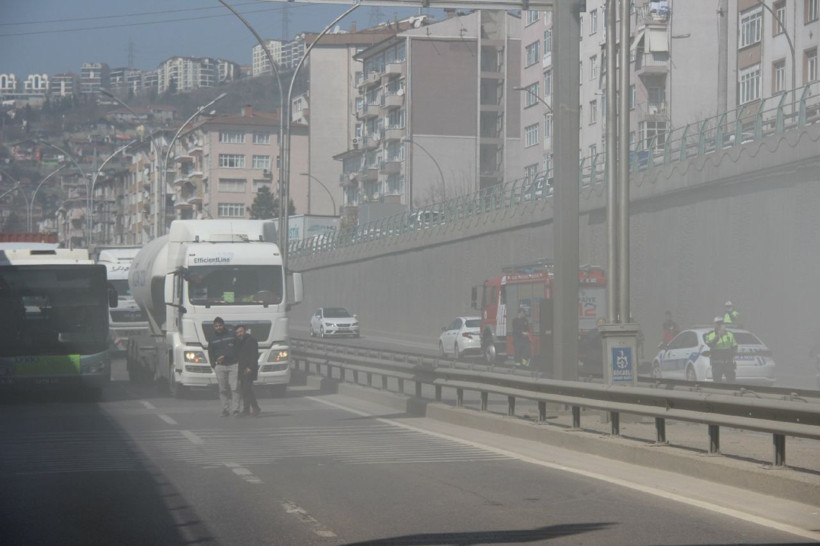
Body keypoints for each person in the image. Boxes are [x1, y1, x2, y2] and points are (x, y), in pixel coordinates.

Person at [208, 316, 239, 416]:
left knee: (235, 388)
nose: (218, 327)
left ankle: (235, 409)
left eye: (220, 325)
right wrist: (214, 364)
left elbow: (236, 349)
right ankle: (225, 409)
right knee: (223, 389)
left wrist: (225, 356)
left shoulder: (231, 334)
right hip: (220, 367)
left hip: (233, 364)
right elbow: (210, 352)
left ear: (223, 325)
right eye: (216, 326)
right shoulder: (212, 338)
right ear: (214, 327)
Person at [235, 324, 261, 417]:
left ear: (245, 331)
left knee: (247, 389)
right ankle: (246, 410)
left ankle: (255, 407)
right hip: (241, 369)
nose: (239, 334)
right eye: (237, 332)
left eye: (241, 332)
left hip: (249, 368)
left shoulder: (251, 340)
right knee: (244, 390)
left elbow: (254, 355)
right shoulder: (239, 341)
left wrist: (250, 367)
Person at [705, 316, 738, 383]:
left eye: (721, 323)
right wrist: (719, 335)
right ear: (714, 324)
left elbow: (734, 346)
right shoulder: (710, 334)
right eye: (718, 323)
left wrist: (731, 354)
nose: (720, 325)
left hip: (728, 363)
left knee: (731, 382)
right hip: (717, 363)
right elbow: (710, 344)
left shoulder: (729, 334)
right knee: (717, 382)